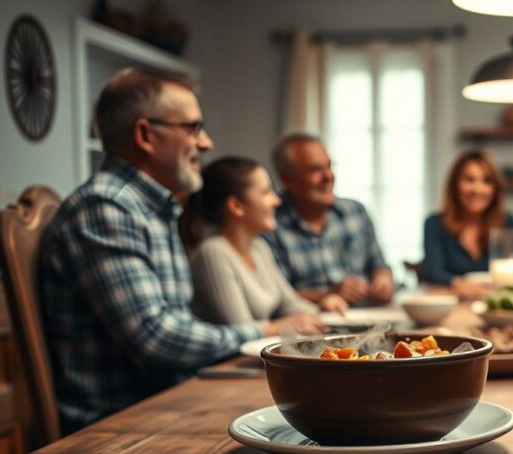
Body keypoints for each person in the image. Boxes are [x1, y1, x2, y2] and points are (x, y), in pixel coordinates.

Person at [40, 68, 323, 433]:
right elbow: (155, 337)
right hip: (119, 428)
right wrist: (262, 331)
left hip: (164, 406)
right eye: (193, 128)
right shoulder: (106, 206)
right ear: (145, 135)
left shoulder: (151, 209)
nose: (206, 143)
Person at [188, 156, 348, 325]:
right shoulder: (213, 252)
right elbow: (241, 329)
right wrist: (287, 324)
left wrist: (322, 308)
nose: (277, 201)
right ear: (236, 206)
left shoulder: (259, 247)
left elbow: (289, 303)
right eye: (266, 192)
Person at [264, 133, 394, 307]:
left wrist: (383, 280)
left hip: (370, 317)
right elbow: (275, 296)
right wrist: (327, 294)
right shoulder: (269, 225)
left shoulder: (355, 211)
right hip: (314, 326)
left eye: (330, 166)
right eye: (315, 169)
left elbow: (379, 264)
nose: (328, 176)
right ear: (287, 179)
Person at [421, 150, 513, 297]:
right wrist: (458, 284)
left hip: (497, 304)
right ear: (455, 185)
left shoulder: (507, 222)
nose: (477, 189)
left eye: (487, 181)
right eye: (469, 180)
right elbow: (432, 272)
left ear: (495, 189)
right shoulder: (435, 224)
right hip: (454, 306)